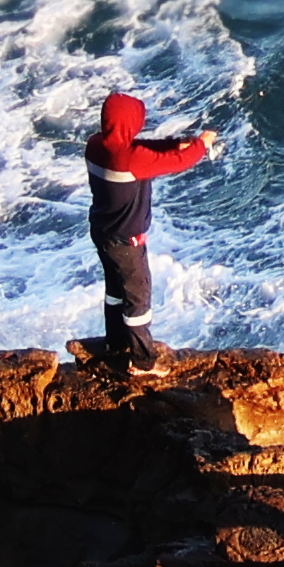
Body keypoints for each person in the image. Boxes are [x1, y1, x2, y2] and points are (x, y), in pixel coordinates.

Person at [83, 90, 221, 364]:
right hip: (126, 242)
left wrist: (176, 143)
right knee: (138, 298)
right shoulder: (130, 159)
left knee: (115, 291)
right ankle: (143, 362)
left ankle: (115, 343)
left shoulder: (96, 144)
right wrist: (201, 145)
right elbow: (180, 163)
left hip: (102, 232)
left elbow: (140, 148)